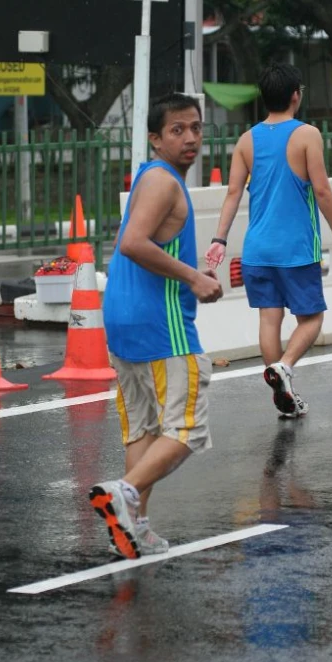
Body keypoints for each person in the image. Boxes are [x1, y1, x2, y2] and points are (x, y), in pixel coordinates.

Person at [90, 93, 223, 560]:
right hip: (161, 325)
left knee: (143, 432)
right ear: (155, 138)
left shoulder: (150, 176)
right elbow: (132, 242)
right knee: (187, 430)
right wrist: (194, 277)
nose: (190, 138)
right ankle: (124, 493)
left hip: (123, 320)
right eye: (177, 130)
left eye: (195, 128)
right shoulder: (164, 181)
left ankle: (135, 528)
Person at [205, 62, 332, 418]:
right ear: (295, 96)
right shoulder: (306, 135)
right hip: (296, 249)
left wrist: (219, 239)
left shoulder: (246, 140)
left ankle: (283, 387)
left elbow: (233, 193)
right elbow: (322, 189)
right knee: (312, 318)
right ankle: (284, 367)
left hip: (257, 250)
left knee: (270, 319)